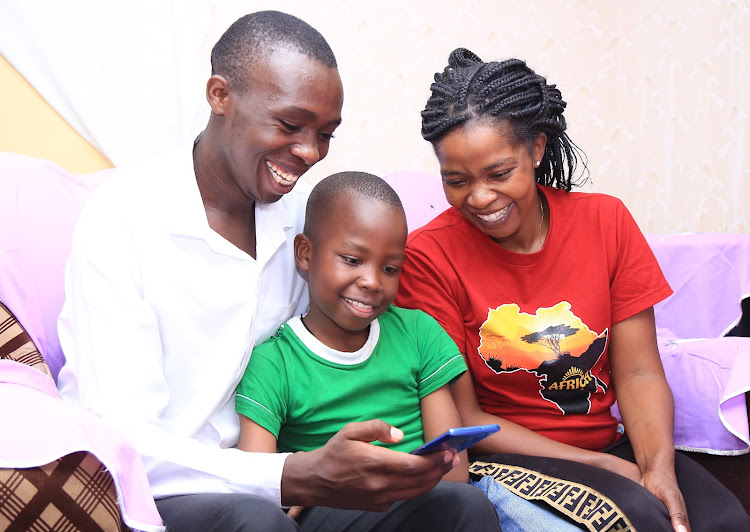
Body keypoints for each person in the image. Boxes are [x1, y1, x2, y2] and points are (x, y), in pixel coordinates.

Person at [55, 14, 498, 531]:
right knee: (256, 523)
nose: (310, 152)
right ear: (220, 95)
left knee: (459, 509)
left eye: (325, 134)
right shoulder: (122, 221)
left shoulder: (304, 222)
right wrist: (289, 475)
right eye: (289, 125)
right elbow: (128, 443)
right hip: (167, 489)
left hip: (287, 481)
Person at [396, 48, 750, 532]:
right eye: (456, 181)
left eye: (499, 173)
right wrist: (602, 468)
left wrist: (657, 466)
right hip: (507, 457)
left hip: (608, 443)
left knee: (723, 522)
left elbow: (641, 372)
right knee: (636, 522)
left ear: (537, 148)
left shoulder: (605, 221)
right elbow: (464, 414)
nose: (479, 198)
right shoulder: (428, 256)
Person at [236, 172, 502, 529]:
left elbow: (451, 473)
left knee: (467, 503)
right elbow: (256, 482)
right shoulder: (274, 363)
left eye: (390, 268)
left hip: (422, 504)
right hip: (330, 508)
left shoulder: (419, 334)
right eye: (351, 259)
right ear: (305, 254)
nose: (372, 281)